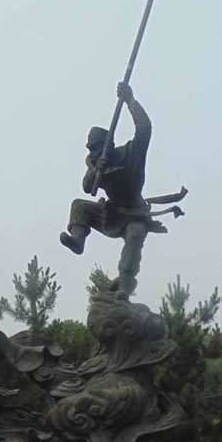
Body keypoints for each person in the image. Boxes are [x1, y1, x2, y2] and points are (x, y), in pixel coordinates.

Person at [60, 82, 157, 298]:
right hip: (111, 214)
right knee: (79, 206)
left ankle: (124, 284)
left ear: (108, 144)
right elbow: (88, 188)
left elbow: (145, 129)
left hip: (135, 214)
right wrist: (96, 170)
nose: (92, 152)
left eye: (95, 147)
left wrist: (130, 101)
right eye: (90, 149)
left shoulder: (131, 153)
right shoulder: (96, 164)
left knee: (135, 235)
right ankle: (78, 241)